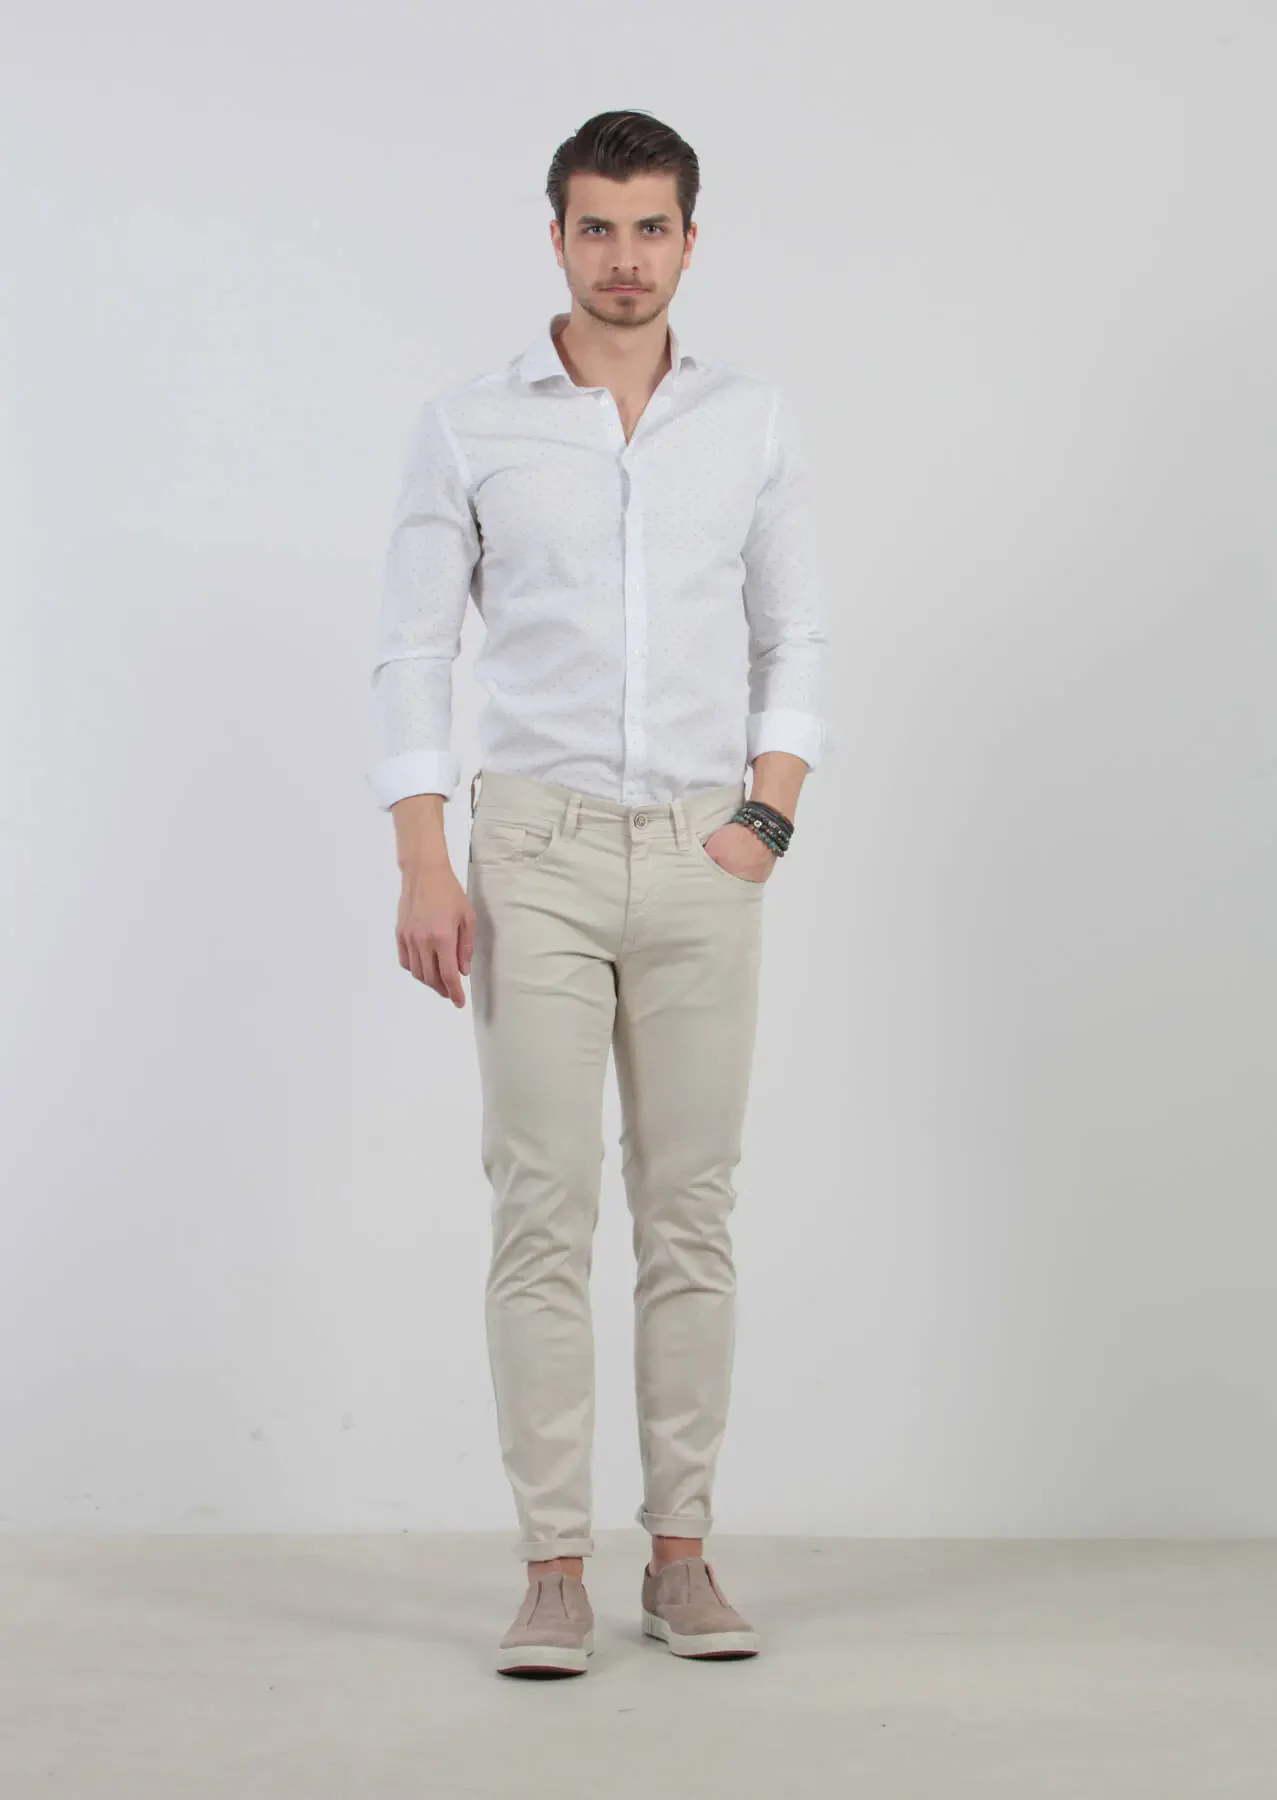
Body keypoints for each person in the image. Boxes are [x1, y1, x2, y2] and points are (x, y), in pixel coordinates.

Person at [367, 109, 832, 1677]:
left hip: (705, 854)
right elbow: (414, 648)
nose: (625, 258)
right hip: (535, 857)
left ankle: (681, 1558)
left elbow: (795, 632)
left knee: (691, 1212)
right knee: (542, 1210)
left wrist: (768, 817)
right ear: (555, 237)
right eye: (597, 227)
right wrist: (423, 857)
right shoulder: (469, 424)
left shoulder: (749, 421)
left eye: (651, 228)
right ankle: (553, 1567)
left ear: (689, 237)